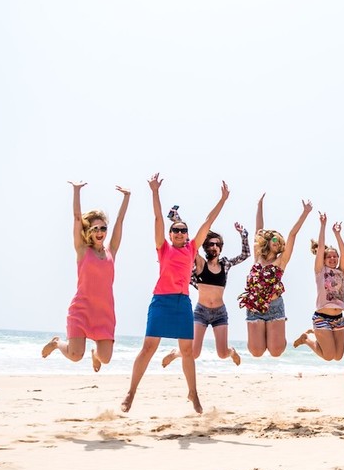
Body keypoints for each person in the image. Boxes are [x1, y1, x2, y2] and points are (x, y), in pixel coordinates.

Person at [122, 175, 229, 414]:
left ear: (187, 235)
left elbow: (208, 221)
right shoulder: (163, 248)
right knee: (148, 348)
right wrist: (155, 192)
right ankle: (131, 392)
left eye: (183, 231)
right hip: (161, 301)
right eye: (176, 231)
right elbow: (158, 218)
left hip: (182, 303)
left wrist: (222, 200)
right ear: (170, 235)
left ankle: (193, 393)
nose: (180, 233)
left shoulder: (191, 249)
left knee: (188, 351)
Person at [43, 181, 131, 372]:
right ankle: (57, 343)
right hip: (82, 308)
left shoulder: (111, 251)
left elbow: (120, 221)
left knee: (105, 358)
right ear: (89, 232)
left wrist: (127, 197)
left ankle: (95, 354)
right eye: (95, 229)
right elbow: (77, 219)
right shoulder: (82, 250)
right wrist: (76, 191)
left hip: (104, 312)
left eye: (103, 228)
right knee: (75, 355)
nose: (99, 232)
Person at [161, 222, 249, 369]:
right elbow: (189, 244)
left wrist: (243, 234)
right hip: (201, 312)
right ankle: (175, 353)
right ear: (206, 247)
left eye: (217, 244)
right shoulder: (200, 264)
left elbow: (245, 255)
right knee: (194, 353)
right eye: (211, 244)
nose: (214, 247)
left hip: (220, 313)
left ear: (221, 248)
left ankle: (232, 352)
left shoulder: (225, 264)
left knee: (222, 353)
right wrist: (177, 220)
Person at [239, 194, 312, 358]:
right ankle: (262, 334)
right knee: (256, 352)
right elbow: (259, 230)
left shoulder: (281, 261)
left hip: (274, 307)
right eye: (274, 239)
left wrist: (305, 213)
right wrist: (259, 205)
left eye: (279, 242)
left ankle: (284, 334)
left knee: (276, 351)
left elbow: (292, 235)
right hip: (254, 306)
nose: (277, 242)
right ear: (267, 241)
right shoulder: (258, 256)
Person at [293, 213, 344, 362]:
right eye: (329, 256)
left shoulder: (342, 272)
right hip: (322, 317)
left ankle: (316, 335)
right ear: (323, 260)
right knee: (328, 356)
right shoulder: (320, 271)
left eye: (334, 256)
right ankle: (307, 339)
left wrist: (337, 234)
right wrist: (323, 226)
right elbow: (320, 250)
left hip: (338, 318)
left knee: (338, 357)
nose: (332, 258)